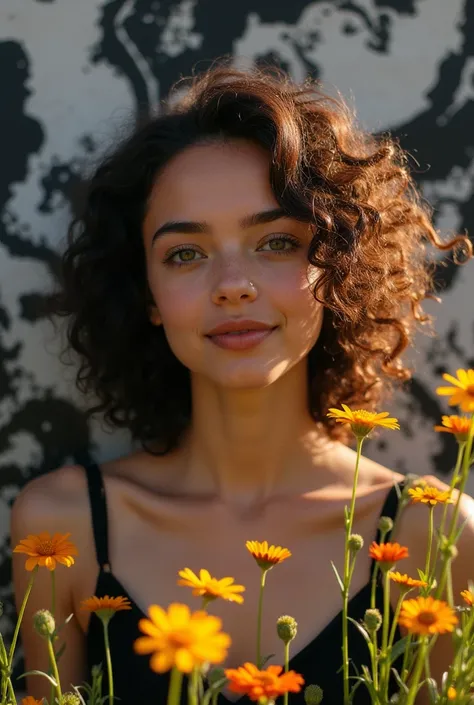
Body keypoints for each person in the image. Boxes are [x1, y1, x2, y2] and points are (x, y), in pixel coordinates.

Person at [11, 64, 474, 705]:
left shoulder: (434, 533)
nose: (233, 283)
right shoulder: (61, 528)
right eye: (185, 253)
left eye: (277, 241)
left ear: (336, 267)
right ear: (147, 294)